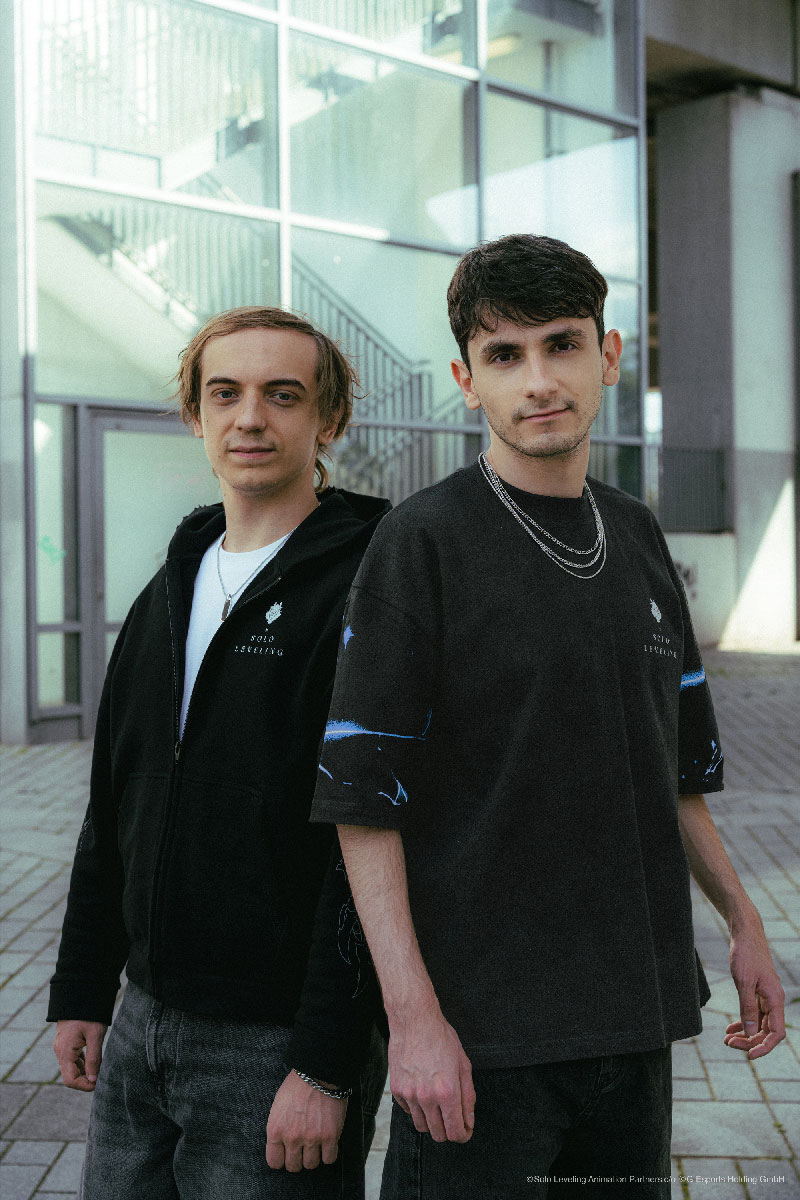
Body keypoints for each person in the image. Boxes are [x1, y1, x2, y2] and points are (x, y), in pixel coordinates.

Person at [310, 235, 786, 1198]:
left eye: (562, 344)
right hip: (480, 1041)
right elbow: (363, 807)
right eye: (504, 355)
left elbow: (675, 777)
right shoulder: (420, 543)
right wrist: (413, 1019)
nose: (538, 381)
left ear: (608, 356)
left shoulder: (638, 533)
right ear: (466, 380)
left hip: (635, 1021)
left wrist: (745, 922)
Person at [48, 306, 389, 1199]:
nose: (250, 419)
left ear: (329, 419)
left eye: (284, 395)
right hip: (141, 1026)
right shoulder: (167, 589)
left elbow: (374, 843)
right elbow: (113, 805)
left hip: (275, 1050)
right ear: (195, 416)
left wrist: (326, 1061)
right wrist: (83, 987)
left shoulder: (369, 588)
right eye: (225, 394)